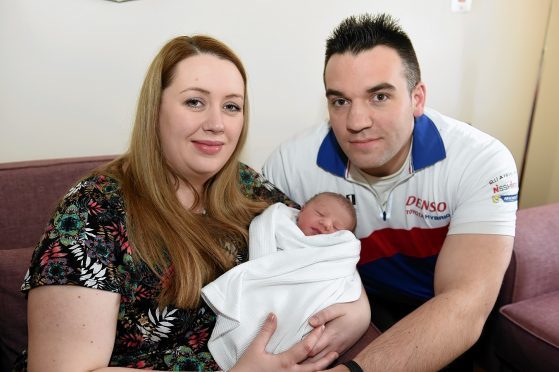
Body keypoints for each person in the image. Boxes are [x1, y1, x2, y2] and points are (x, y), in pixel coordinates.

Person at [15, 35, 370, 372]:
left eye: (231, 106)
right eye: (194, 102)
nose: (216, 124)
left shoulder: (247, 186)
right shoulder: (93, 208)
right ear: (155, 109)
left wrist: (359, 312)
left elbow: (323, 254)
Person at [263, 13, 518, 371]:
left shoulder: (481, 161)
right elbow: (269, 271)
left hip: (437, 312)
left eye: (379, 96)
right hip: (344, 303)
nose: (356, 122)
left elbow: (464, 303)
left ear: (417, 98)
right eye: (340, 101)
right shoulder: (291, 164)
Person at [202, 192, 363, 370]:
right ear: (301, 209)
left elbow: (343, 269)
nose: (326, 224)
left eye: (337, 227)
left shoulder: (334, 255)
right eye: (320, 214)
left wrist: (360, 313)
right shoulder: (277, 222)